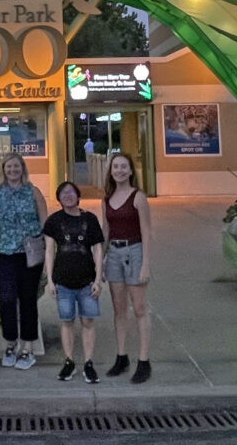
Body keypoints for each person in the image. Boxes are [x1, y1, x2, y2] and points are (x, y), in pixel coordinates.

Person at [0, 153, 47, 370]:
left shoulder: (33, 192)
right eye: (9, 167)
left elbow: (44, 223)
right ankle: (10, 342)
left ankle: (27, 347)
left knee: (28, 300)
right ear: (3, 169)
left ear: (23, 169)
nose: (13, 170)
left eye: (16, 166)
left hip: (29, 254)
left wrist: (48, 256)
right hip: (4, 253)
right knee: (7, 299)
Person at [42, 181, 104, 384]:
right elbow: (50, 251)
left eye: (71, 192)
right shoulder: (54, 221)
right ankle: (69, 361)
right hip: (63, 281)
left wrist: (98, 279)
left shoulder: (90, 220)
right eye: (63, 193)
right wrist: (50, 280)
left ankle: (88, 362)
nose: (67, 196)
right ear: (58, 199)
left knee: (87, 321)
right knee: (67, 321)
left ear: (78, 196)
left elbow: (97, 249)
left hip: (87, 281)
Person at [101, 152, 153, 383]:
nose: (119, 170)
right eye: (116, 167)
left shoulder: (138, 197)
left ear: (131, 171)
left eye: (124, 166)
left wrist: (145, 265)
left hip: (134, 251)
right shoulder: (106, 199)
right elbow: (105, 231)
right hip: (113, 253)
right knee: (118, 310)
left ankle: (144, 360)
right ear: (110, 171)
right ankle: (122, 357)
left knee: (139, 308)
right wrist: (100, 261)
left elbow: (146, 232)